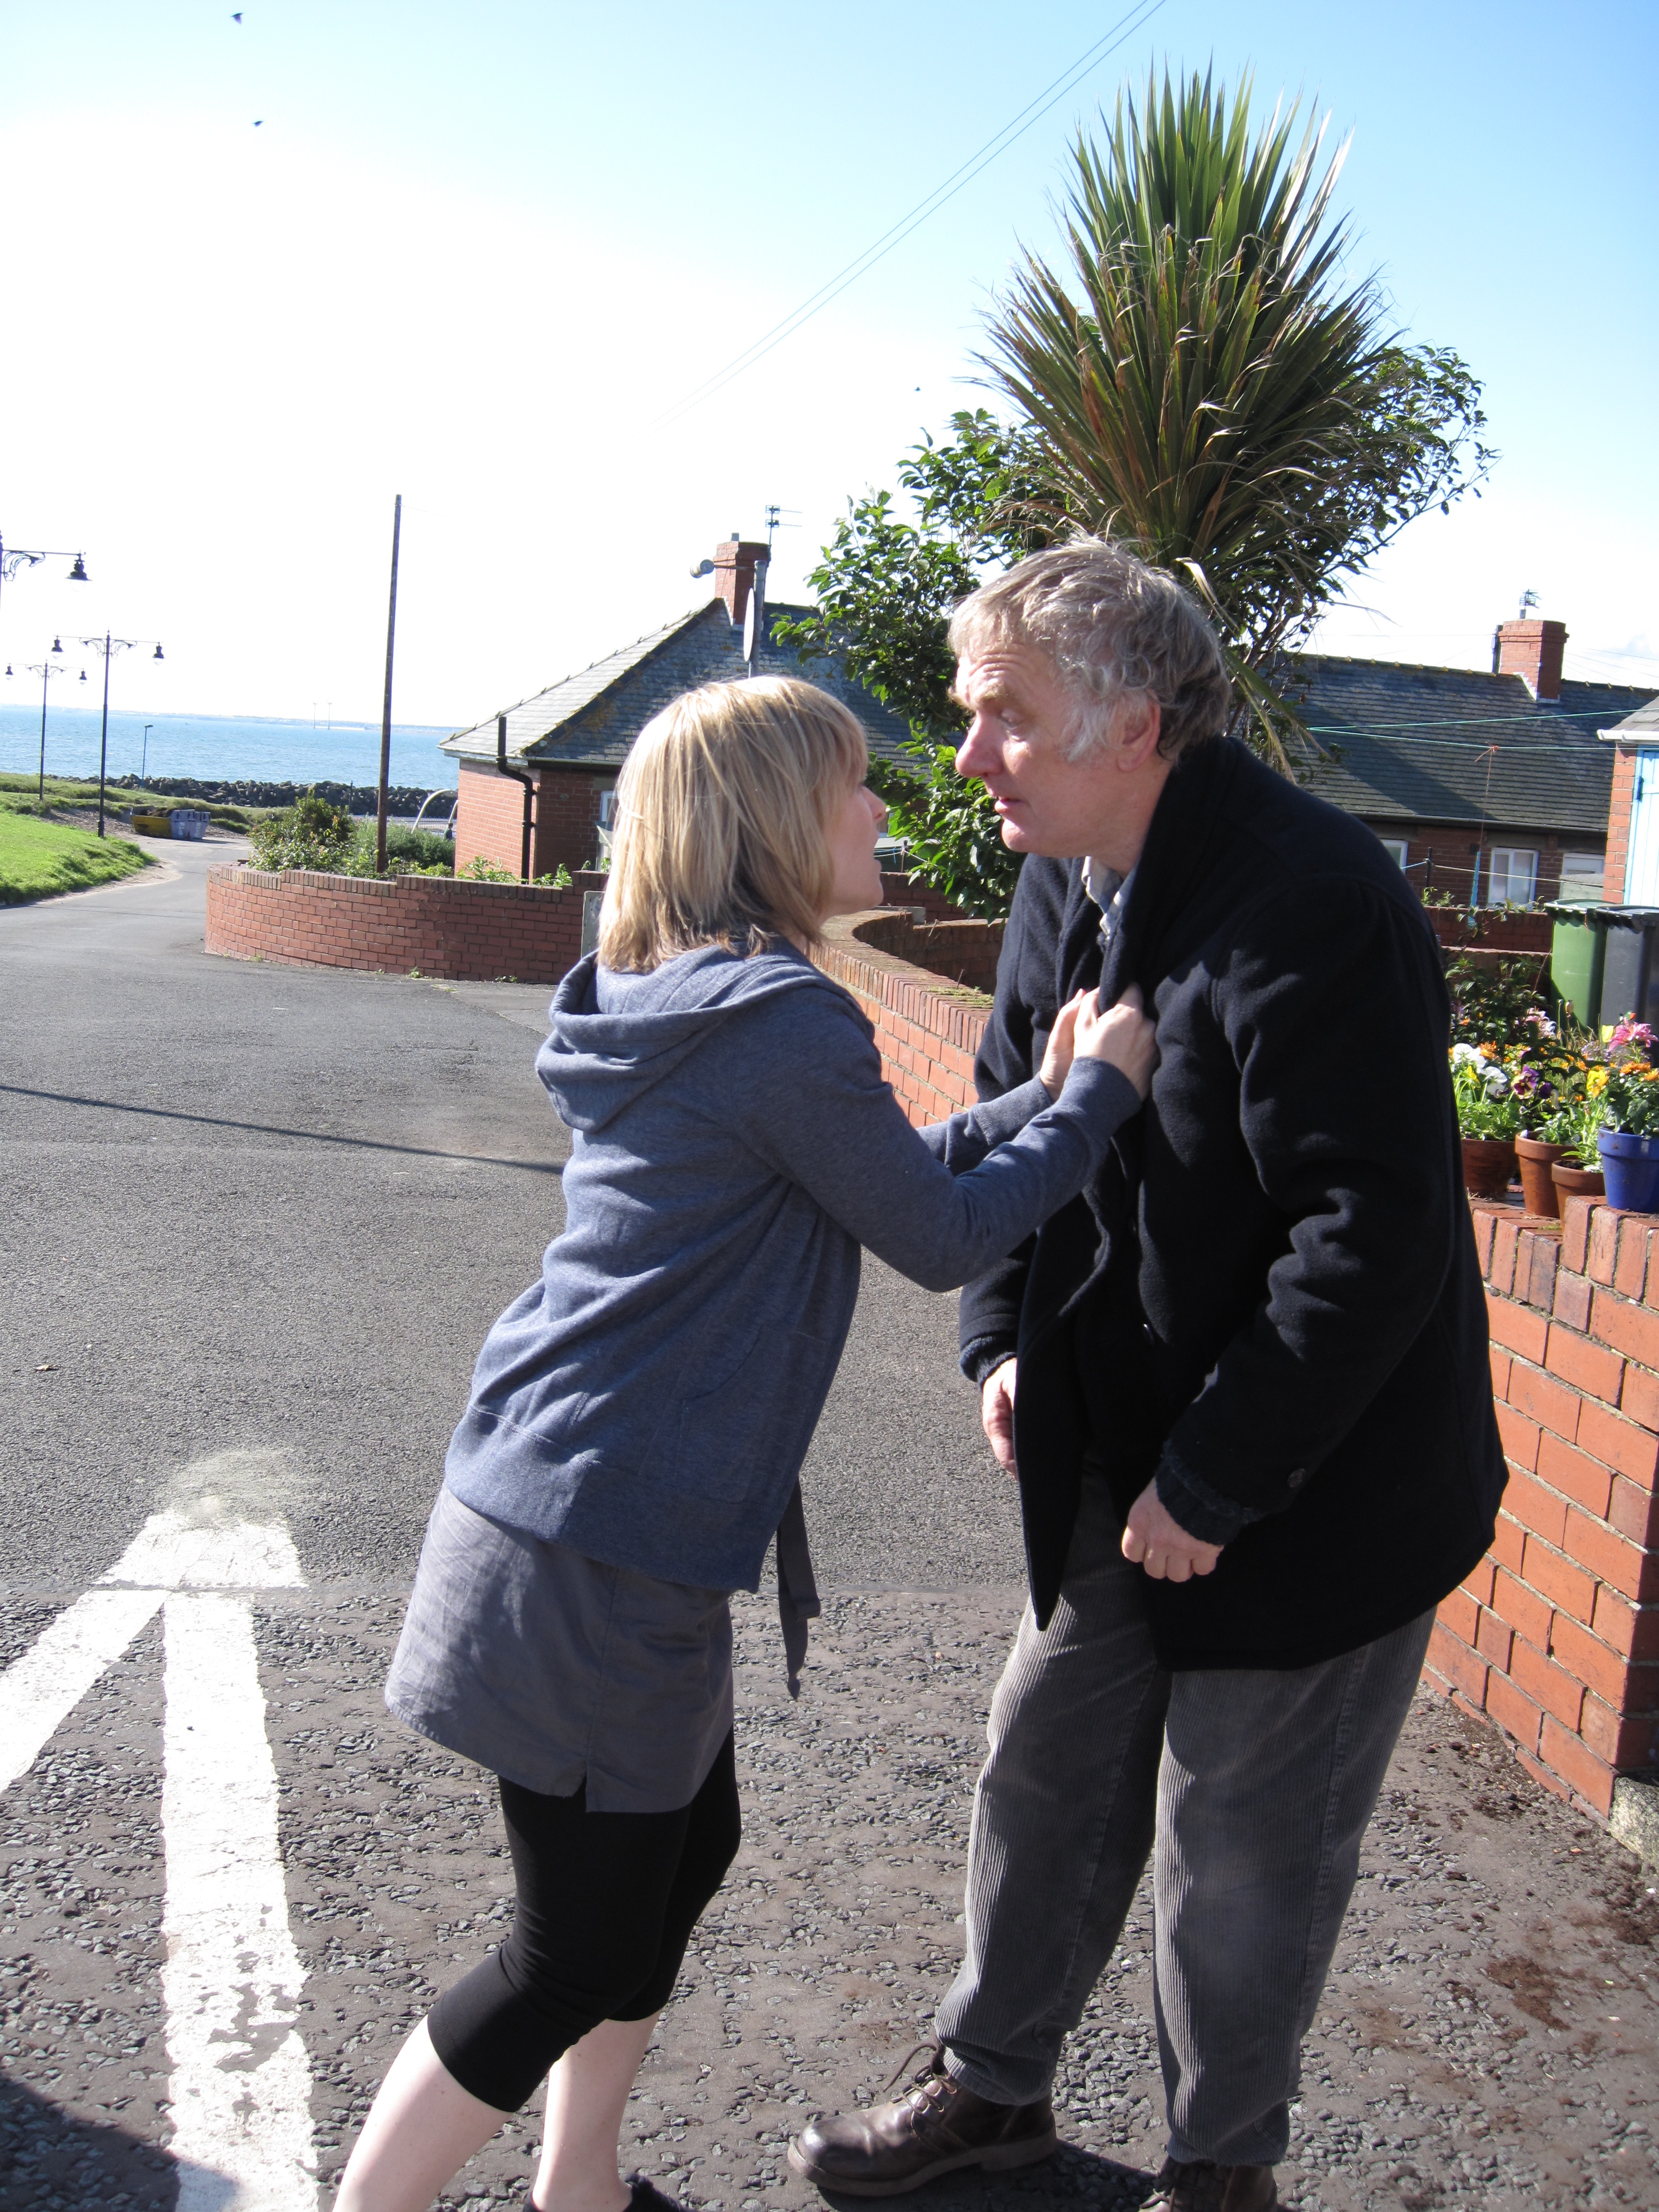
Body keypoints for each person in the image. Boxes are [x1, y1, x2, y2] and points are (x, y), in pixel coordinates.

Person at [334, 674, 1158, 2212]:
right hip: (597, 1539)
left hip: (584, 1511)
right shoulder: (779, 1013)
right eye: (855, 785)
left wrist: (1036, 1095)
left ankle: (577, 2183)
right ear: (777, 815)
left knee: (682, 1854)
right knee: (568, 1946)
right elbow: (936, 1230)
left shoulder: (686, 988)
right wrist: (1099, 1099)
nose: (883, 813)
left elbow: (862, 1169)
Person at [788, 544, 1506, 2212]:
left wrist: (1216, 1482)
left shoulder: (1313, 897)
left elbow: (1376, 1235)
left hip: (1317, 1479)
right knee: (1043, 1763)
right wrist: (999, 1340)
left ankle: (1217, 2170)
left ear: (1136, 724)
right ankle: (994, 2089)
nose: (968, 761)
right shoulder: (1068, 868)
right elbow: (1025, 1122)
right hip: (1127, 1434)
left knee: (1238, 1854)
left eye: (1006, 721)